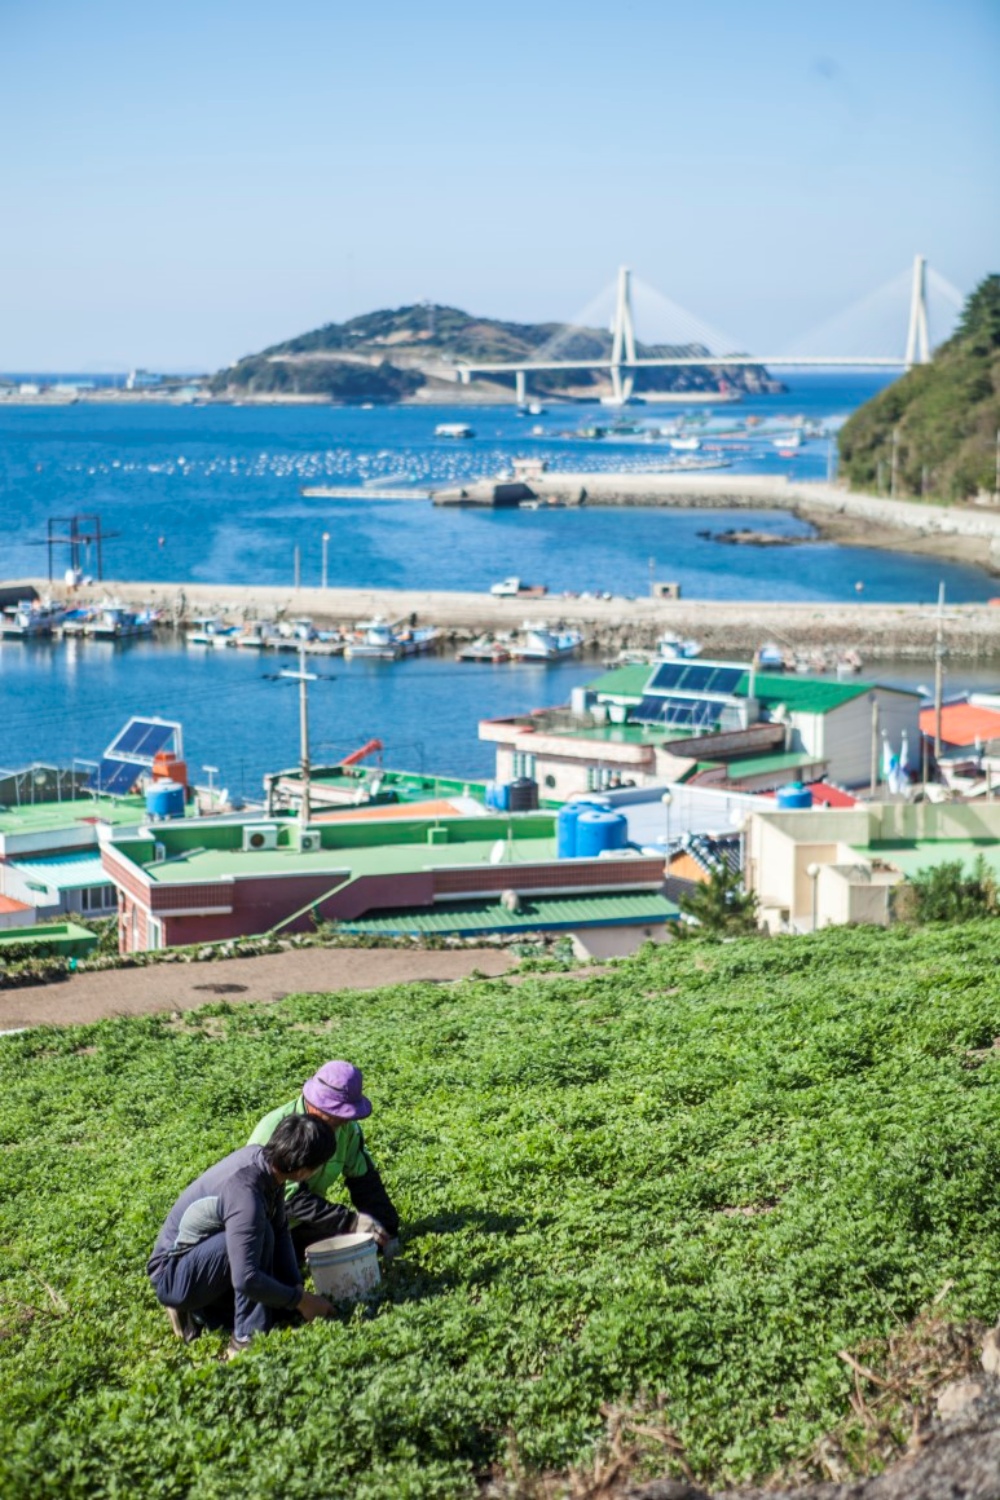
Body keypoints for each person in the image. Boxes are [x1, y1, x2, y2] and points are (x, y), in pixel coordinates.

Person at [148, 1113, 336, 1356]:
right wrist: (301, 1301)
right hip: (172, 1275)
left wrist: (297, 1289)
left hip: (201, 1257)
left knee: (268, 1239)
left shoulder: (269, 1166)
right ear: (302, 1170)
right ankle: (244, 1342)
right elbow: (246, 1278)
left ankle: (206, 1312)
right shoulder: (246, 1194)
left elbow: (281, 1232)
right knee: (259, 1236)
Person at [248, 1060, 400, 1263]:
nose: (344, 1122)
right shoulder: (278, 1129)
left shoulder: (347, 1129)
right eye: (337, 1116)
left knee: (359, 1242)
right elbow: (290, 1198)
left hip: (304, 1224)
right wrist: (349, 1221)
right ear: (314, 1104)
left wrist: (387, 1230)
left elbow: (364, 1181)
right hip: (267, 1230)